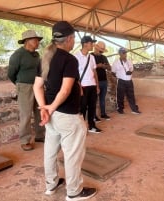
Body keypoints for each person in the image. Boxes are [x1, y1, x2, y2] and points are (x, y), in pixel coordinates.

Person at [33, 21, 97, 200]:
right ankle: (74, 191)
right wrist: (50, 108)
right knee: (72, 154)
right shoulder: (69, 59)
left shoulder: (45, 58)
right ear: (69, 39)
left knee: (50, 151)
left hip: (51, 116)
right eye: (73, 39)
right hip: (67, 115)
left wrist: (44, 109)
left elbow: (37, 87)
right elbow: (65, 90)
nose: (73, 42)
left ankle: (51, 184)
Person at [8, 30, 45, 151]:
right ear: (27, 41)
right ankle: (25, 140)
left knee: (39, 111)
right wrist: (20, 84)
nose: (38, 42)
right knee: (26, 114)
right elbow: (11, 74)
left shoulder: (36, 55)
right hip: (24, 86)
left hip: (37, 86)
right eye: (35, 40)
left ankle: (40, 135)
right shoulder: (18, 55)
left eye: (38, 40)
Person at [74, 36, 102, 133]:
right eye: (91, 43)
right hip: (83, 86)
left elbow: (94, 72)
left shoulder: (92, 57)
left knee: (92, 106)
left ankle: (91, 126)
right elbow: (75, 74)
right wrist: (79, 87)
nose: (92, 45)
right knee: (82, 107)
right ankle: (81, 127)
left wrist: (97, 85)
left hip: (92, 85)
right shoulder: (76, 57)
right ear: (85, 44)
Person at [112, 47, 141, 114]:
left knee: (131, 95)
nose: (125, 54)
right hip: (121, 81)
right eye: (123, 53)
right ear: (119, 53)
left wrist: (130, 72)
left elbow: (131, 69)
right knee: (120, 96)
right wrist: (117, 77)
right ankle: (120, 109)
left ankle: (134, 109)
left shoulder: (129, 61)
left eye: (125, 53)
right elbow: (113, 72)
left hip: (129, 81)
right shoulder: (116, 63)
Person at [91, 41, 111, 120]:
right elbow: (90, 68)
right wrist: (98, 65)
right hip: (95, 81)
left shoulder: (104, 57)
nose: (101, 52)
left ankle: (103, 113)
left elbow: (109, 68)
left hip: (104, 80)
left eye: (102, 50)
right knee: (94, 100)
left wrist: (106, 66)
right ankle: (94, 116)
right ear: (96, 48)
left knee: (102, 99)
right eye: (100, 50)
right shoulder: (91, 56)